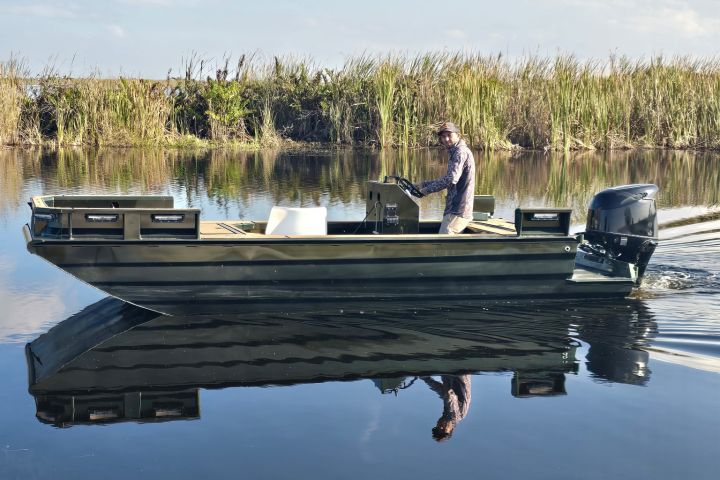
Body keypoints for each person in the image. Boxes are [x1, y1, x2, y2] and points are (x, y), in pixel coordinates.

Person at [417, 122, 476, 234]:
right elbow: (449, 178)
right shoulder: (454, 151)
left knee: (443, 243)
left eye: (449, 135)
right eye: (443, 136)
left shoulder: (460, 152)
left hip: (458, 210)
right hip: (453, 209)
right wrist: (423, 184)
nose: (446, 139)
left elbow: (451, 179)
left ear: (458, 135)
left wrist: (426, 191)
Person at [421, 375, 472, 442]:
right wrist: (426, 378)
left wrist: (426, 379)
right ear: (451, 429)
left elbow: (444, 393)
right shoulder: (454, 416)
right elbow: (449, 395)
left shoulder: (449, 414)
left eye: (437, 428)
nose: (440, 427)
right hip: (458, 373)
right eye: (443, 430)